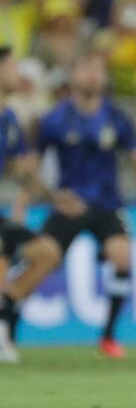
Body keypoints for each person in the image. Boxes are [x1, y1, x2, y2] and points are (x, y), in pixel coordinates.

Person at [35, 52, 136, 359]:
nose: (93, 75)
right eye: (86, 68)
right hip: (68, 204)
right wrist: (27, 201)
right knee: (40, 259)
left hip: (107, 205)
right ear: (72, 76)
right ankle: (9, 329)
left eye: (98, 69)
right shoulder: (55, 118)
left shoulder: (116, 117)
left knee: (123, 257)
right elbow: (32, 164)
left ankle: (108, 336)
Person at [0, 46, 84, 363]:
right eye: (11, 67)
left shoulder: (8, 119)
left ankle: (4, 315)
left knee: (47, 253)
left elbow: (19, 172)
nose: (17, 74)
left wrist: (54, 197)